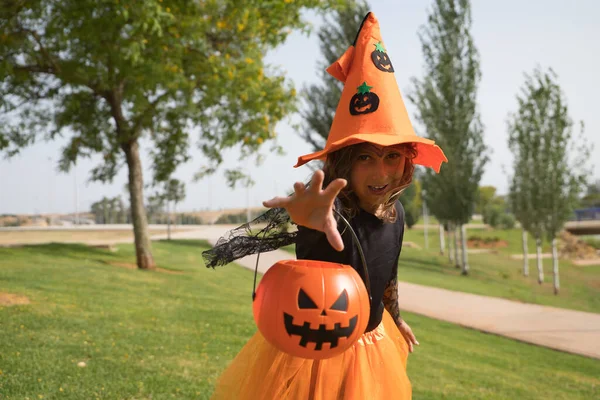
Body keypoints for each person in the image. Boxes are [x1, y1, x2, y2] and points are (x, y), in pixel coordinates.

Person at [206, 12, 447, 400]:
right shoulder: (331, 216)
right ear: (344, 164)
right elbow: (310, 268)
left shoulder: (397, 213)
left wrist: (396, 317)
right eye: (365, 158)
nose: (380, 171)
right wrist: (308, 223)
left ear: (407, 161)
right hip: (319, 352)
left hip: (371, 345)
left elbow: (387, 275)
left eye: (391, 157)